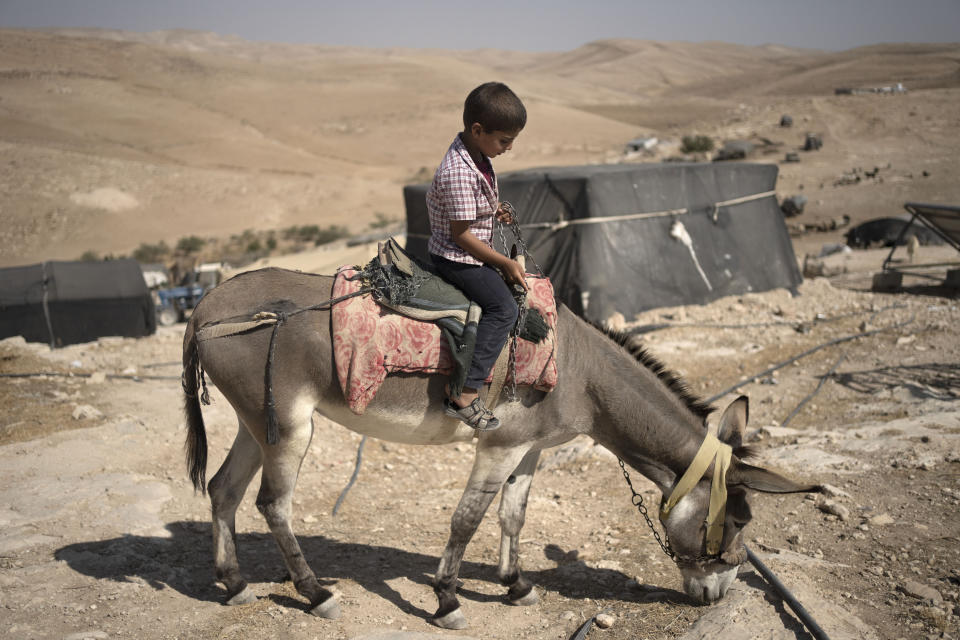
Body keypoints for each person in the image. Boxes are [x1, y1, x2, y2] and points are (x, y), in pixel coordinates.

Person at [427, 82, 528, 431]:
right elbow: (461, 235)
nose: (509, 148)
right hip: (456, 257)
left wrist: (492, 209)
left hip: (468, 248)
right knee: (504, 309)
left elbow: (473, 206)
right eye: (504, 141)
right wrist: (503, 262)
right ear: (477, 130)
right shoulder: (458, 172)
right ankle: (465, 394)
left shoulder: (477, 154)